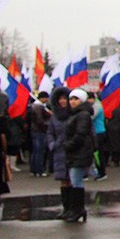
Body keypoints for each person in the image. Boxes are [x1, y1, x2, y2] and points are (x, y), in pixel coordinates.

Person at [62, 88, 94, 223]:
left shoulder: (83, 115)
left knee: (76, 181)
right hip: (75, 152)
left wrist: (69, 144)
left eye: (76, 99)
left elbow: (80, 134)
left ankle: (78, 209)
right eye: (71, 99)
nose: (72, 102)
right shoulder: (76, 114)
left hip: (80, 152)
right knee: (74, 180)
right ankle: (76, 209)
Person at [46, 86, 73, 218]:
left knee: (72, 180)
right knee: (63, 180)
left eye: (65, 98)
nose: (63, 101)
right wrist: (52, 144)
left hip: (72, 151)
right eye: (60, 99)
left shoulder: (74, 114)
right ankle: (66, 208)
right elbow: (50, 132)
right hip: (59, 152)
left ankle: (74, 208)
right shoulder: (55, 117)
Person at [29, 91, 50, 177]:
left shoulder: (35, 106)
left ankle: (34, 169)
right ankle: (39, 170)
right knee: (39, 151)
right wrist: (47, 125)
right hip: (39, 131)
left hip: (35, 130)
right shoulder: (38, 106)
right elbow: (40, 120)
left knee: (35, 151)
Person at [88, 92, 107, 181]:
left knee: (98, 153)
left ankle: (102, 172)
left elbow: (90, 117)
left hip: (98, 131)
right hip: (95, 131)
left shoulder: (97, 106)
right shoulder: (95, 104)